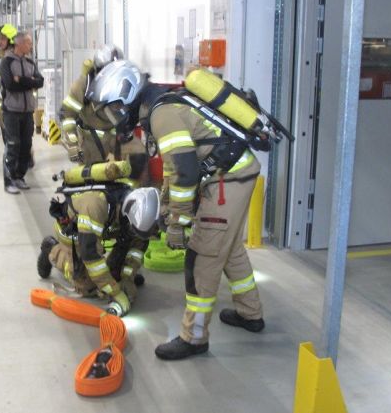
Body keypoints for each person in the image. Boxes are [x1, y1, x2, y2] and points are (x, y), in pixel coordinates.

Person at [86, 61, 266, 360]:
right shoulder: (161, 105)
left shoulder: (162, 114)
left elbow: (185, 172)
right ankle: (251, 313)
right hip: (236, 174)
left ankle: (194, 338)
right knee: (229, 246)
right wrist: (169, 207)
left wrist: (177, 223)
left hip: (227, 182)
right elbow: (175, 167)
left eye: (115, 110)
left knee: (202, 258)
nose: (115, 118)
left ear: (128, 97)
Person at [37, 160, 158, 317]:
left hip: (103, 226)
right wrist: (116, 293)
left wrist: (127, 277)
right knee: (87, 286)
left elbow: (139, 243)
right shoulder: (94, 206)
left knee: (125, 254)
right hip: (74, 232)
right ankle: (52, 250)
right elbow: (91, 256)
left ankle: (115, 276)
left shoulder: (134, 201)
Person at [59, 44, 137, 165]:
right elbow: (67, 115)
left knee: (134, 164)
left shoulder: (124, 85)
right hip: (92, 143)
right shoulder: (83, 86)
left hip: (118, 139)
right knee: (93, 175)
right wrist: (72, 144)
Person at [0, 31, 43, 194]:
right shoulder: (6, 62)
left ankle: (19, 177)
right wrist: (29, 82)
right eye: (28, 43)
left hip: (27, 111)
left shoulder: (30, 62)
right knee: (13, 145)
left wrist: (22, 80)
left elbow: (40, 81)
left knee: (26, 145)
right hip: (11, 111)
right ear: (19, 44)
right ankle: (9, 180)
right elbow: (10, 85)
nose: (31, 46)